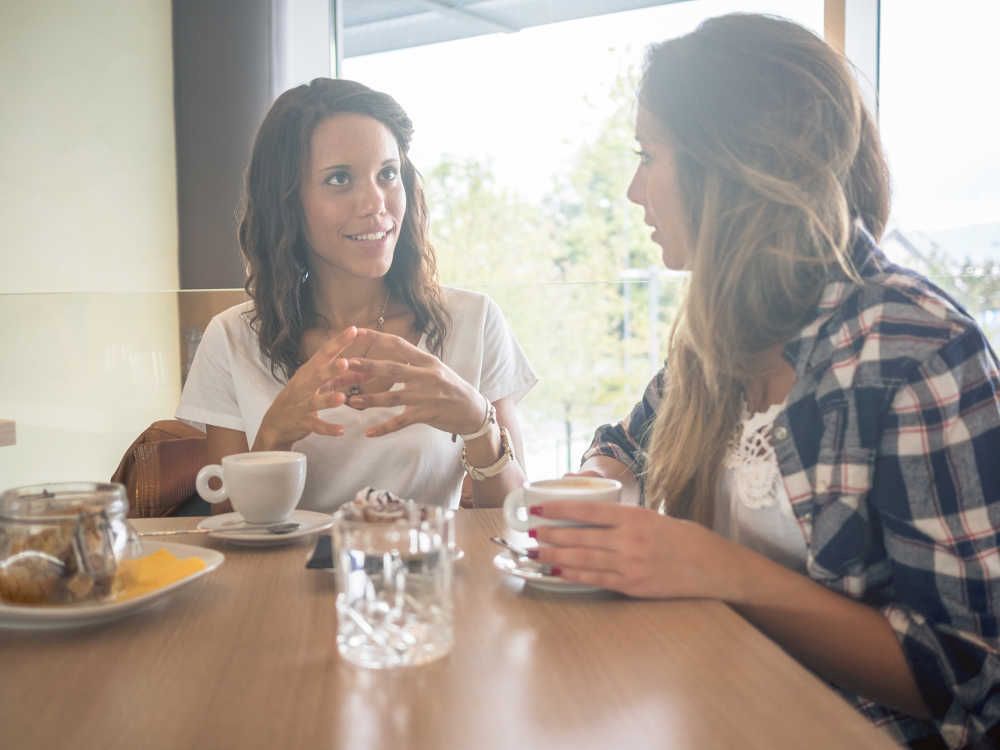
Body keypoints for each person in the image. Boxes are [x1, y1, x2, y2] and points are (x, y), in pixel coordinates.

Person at [526, 14, 999, 749]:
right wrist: (598, 488)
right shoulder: (716, 331)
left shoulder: (917, 350)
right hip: (706, 708)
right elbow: (624, 444)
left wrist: (720, 569)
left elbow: (974, 680)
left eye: (649, 156)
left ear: (732, 167)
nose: (632, 190)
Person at [176, 78, 536, 512]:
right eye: (340, 179)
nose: (375, 203)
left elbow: (515, 517)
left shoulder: (474, 321)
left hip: (428, 558)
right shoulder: (232, 338)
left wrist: (479, 424)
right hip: (289, 563)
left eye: (388, 174)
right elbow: (226, 526)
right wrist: (274, 435)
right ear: (287, 202)